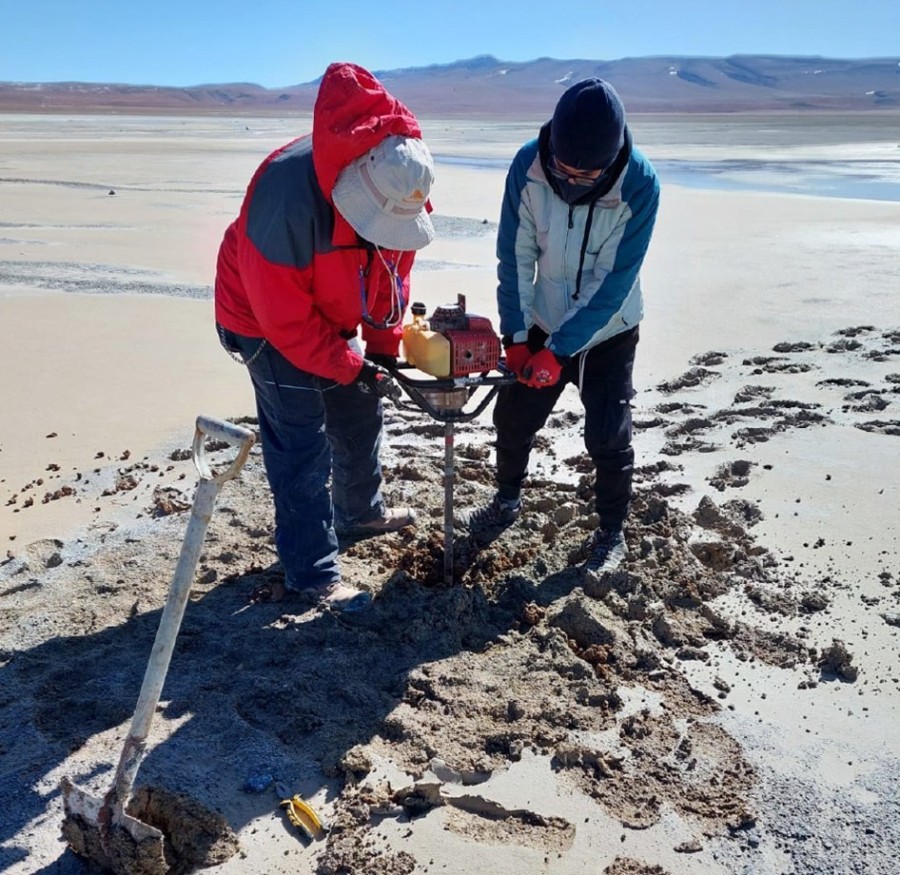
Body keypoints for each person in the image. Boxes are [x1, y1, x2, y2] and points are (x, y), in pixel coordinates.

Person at [214, 62, 435, 611]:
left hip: (327, 312)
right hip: (260, 321)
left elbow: (391, 278)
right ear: (351, 188)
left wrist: (378, 359)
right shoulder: (283, 198)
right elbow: (286, 323)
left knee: (361, 406)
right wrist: (350, 365)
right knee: (301, 440)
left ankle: (360, 513)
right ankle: (311, 575)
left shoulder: (401, 178)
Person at [464, 77, 660, 578]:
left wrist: (560, 352)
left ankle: (611, 532)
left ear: (611, 159)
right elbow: (515, 255)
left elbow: (613, 283)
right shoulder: (528, 166)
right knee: (511, 419)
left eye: (585, 173)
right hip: (541, 319)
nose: (570, 181)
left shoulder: (640, 185)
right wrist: (516, 337)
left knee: (607, 436)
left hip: (608, 330)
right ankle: (505, 502)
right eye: (562, 169)